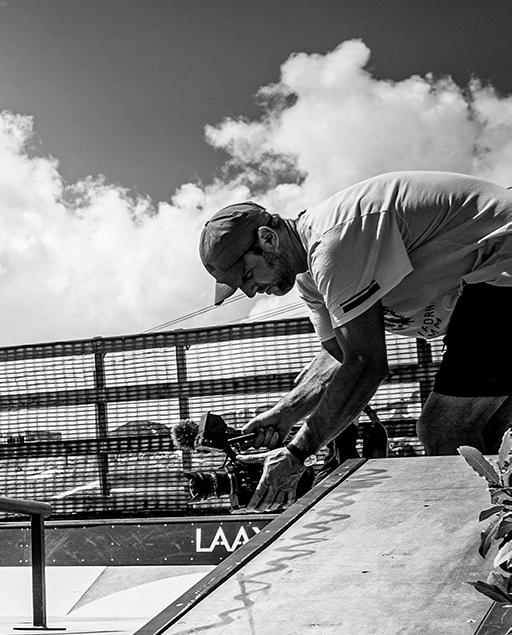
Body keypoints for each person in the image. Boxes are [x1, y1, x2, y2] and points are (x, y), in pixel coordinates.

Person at [198, 171, 512, 511]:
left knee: (443, 430)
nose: (248, 290)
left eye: (246, 275)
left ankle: (479, 551)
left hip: (501, 266)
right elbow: (338, 357)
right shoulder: (309, 280)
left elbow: (365, 365)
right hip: (487, 291)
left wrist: (297, 452)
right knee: (493, 438)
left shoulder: (333, 243)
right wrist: (284, 414)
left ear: (268, 239)